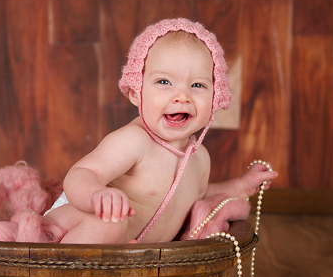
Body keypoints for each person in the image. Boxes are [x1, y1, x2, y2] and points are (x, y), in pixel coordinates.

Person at [46, 18, 277, 245]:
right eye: (164, 82)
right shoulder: (134, 140)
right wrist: (95, 194)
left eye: (197, 85)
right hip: (72, 226)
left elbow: (194, 198)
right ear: (137, 92)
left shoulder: (199, 157)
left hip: (122, 253)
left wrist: (241, 187)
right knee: (110, 223)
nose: (182, 96)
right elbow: (82, 173)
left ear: (216, 97)